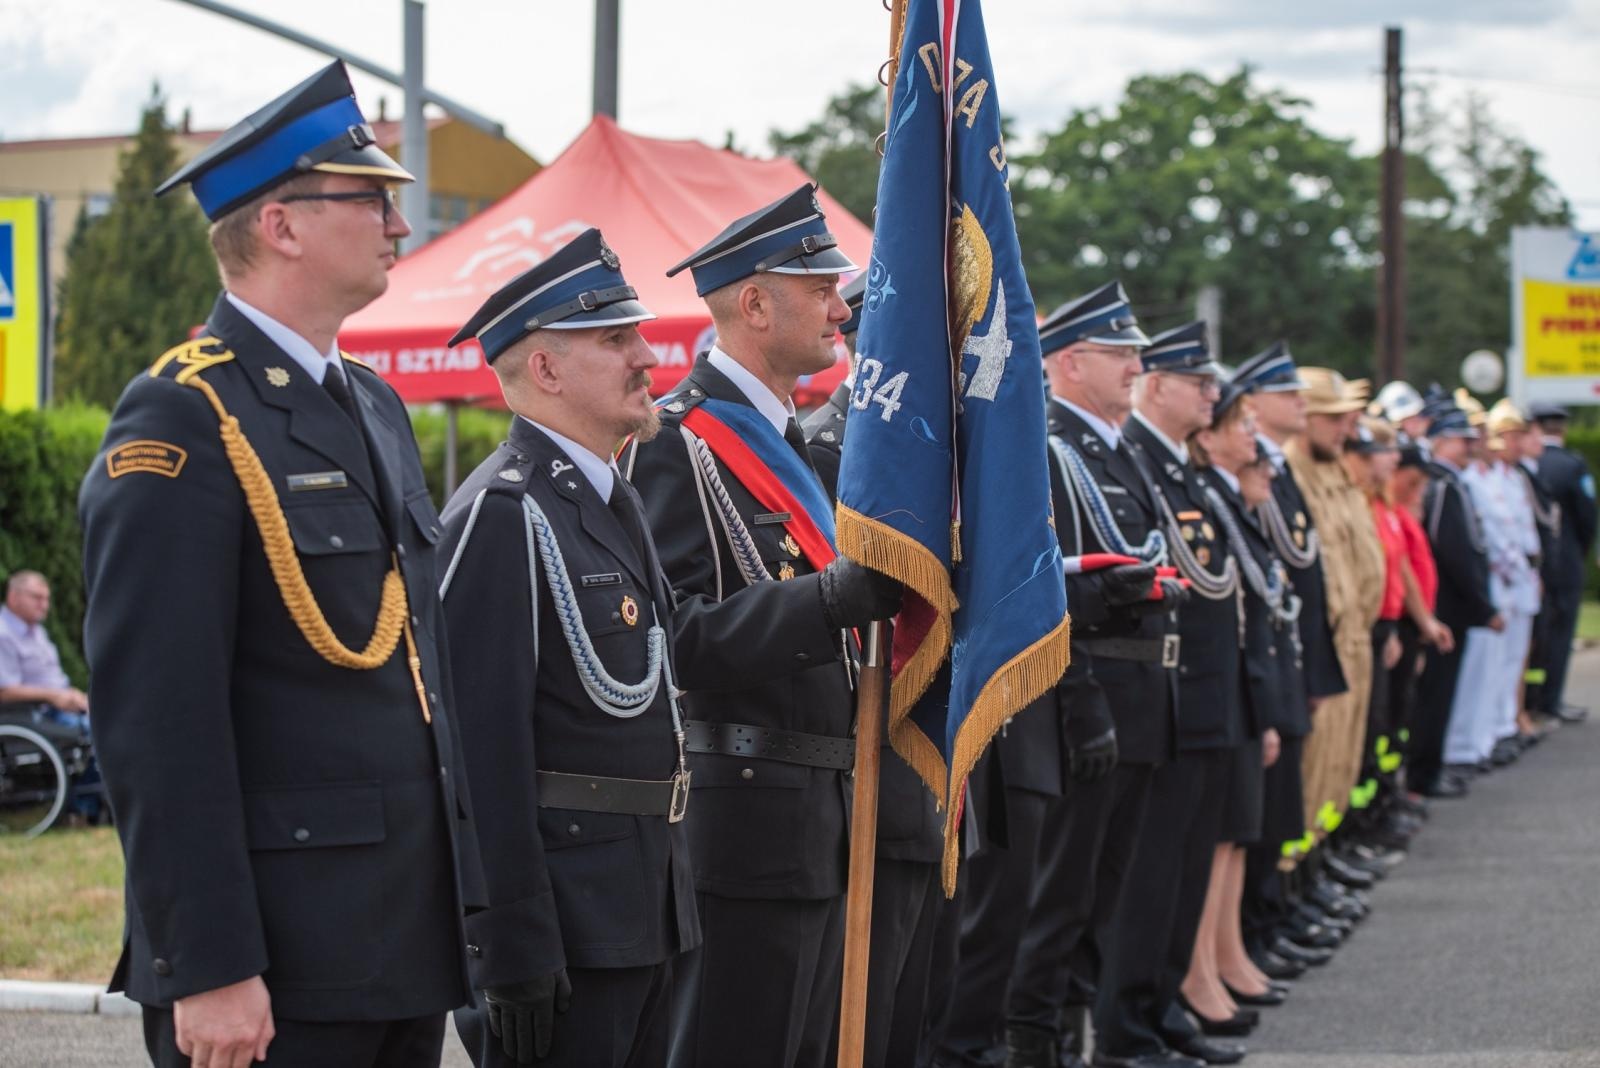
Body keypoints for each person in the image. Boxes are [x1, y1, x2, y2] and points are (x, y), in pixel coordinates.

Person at [78, 62, 482, 1068]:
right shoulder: (184, 414)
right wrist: (207, 964)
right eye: (372, 199)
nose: (400, 226)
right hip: (277, 958)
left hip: (397, 937)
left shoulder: (375, 404)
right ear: (282, 226)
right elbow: (155, 718)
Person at [621, 184, 900, 1068]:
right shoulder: (678, 440)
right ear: (752, 302)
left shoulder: (791, 441)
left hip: (823, 812)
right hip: (743, 819)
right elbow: (681, 640)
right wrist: (835, 601)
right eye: (818, 288)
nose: (838, 307)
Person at [436, 229, 700, 1068]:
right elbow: (479, 752)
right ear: (544, 370)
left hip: (642, 908)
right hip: (566, 928)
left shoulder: (605, 500)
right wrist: (508, 942)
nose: (647, 356)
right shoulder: (503, 516)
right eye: (616, 339)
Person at [953, 281, 1186, 1068]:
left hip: (1142, 690)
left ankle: (1079, 1034)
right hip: (1084, 697)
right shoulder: (1051, 448)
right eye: (1121, 353)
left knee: (1101, 892)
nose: (1136, 367)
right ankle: (1035, 1041)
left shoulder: (1119, 450)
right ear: (1073, 360)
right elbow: (1041, 593)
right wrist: (1083, 700)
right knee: (1057, 897)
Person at [803, 273, 946, 1068]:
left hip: (937, 761)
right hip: (875, 766)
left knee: (922, 1005)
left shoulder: (939, 447)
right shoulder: (831, 446)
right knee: (866, 1019)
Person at [1285, 370, 1385, 881]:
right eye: (1335, 418)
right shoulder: (1293, 472)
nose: (1347, 427)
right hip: (1328, 643)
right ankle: (1294, 879)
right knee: (1314, 768)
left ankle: (1320, 863)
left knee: (1340, 763)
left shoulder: (1334, 470)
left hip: (1354, 638)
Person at [1408, 405, 1501, 798]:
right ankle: (1424, 775)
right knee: (1435, 696)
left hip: (1451, 605)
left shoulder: (1450, 481)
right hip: (1446, 605)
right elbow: (1455, 551)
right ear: (1442, 441)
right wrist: (1483, 605)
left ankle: (1432, 768)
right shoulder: (1441, 484)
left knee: (1444, 694)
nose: (1471, 446)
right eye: (1463, 440)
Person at [0, 569, 102, 822]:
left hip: (60, 705)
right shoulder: (3, 634)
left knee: (107, 720)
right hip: (33, 715)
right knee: (101, 733)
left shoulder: (37, 633)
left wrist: (73, 696)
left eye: (46, 598)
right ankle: (83, 807)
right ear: (14, 596)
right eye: (37, 597)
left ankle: (91, 806)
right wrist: (54, 697)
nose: (44, 605)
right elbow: (4, 690)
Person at [1528, 402, 1594, 724]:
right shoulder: (1572, 465)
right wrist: (1581, 551)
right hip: (1565, 558)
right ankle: (1550, 699)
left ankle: (1529, 700)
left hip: (1532, 561)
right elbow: (1587, 516)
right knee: (1560, 629)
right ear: (1562, 429)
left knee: (1534, 632)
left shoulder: (1532, 464)